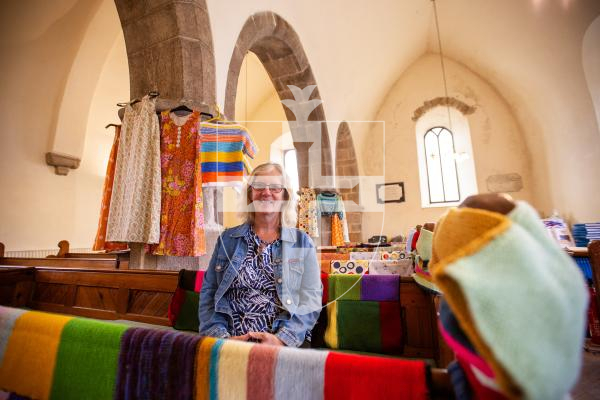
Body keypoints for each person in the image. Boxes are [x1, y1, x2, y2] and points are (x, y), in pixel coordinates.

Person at [198, 162, 322, 347]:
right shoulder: (227, 239)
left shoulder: (301, 242)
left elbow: (311, 299)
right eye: (259, 186)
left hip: (283, 344)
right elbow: (209, 293)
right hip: (231, 342)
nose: (266, 192)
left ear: (285, 196)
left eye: (275, 187)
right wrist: (221, 339)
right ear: (250, 194)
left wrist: (282, 340)